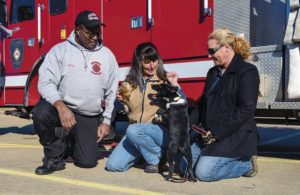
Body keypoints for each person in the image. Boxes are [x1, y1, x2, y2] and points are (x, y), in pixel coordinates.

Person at [32, 10, 119, 175]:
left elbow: (112, 91)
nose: (95, 36)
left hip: (89, 113)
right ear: (78, 30)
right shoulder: (60, 51)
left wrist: (106, 120)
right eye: (89, 32)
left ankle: (69, 141)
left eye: (97, 32)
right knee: (40, 112)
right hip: (64, 108)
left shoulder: (107, 56)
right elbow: (45, 82)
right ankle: (53, 158)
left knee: (86, 162)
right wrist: (60, 105)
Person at [180, 28, 260, 181]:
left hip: (234, 134)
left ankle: (247, 164)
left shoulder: (247, 71)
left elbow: (246, 109)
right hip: (209, 134)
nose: (209, 55)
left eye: (212, 50)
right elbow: (203, 104)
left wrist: (216, 132)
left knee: (204, 173)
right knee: (184, 167)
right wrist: (187, 125)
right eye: (208, 50)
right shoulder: (212, 73)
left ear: (227, 48)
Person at [105, 42, 184, 173]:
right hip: (137, 134)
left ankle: (156, 159)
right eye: (147, 62)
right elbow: (122, 110)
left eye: (154, 60)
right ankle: (145, 153)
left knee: (132, 130)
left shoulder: (165, 79)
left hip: (161, 132)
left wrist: (175, 86)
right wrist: (119, 102)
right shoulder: (129, 82)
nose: (152, 65)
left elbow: (181, 105)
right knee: (114, 165)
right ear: (139, 62)